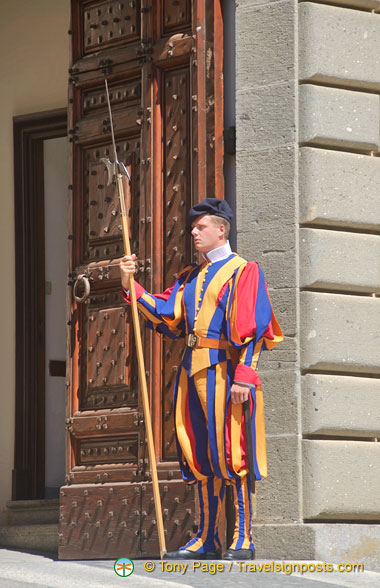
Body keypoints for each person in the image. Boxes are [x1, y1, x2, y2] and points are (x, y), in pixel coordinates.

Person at [120, 198, 283, 560]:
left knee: (231, 451)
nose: (193, 232)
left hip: (225, 372)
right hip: (190, 373)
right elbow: (166, 315)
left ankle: (242, 537)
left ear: (221, 229)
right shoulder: (190, 277)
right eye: (193, 228)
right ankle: (208, 537)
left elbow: (255, 328)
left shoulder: (244, 271)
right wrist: (129, 284)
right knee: (199, 454)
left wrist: (244, 374)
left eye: (201, 227)